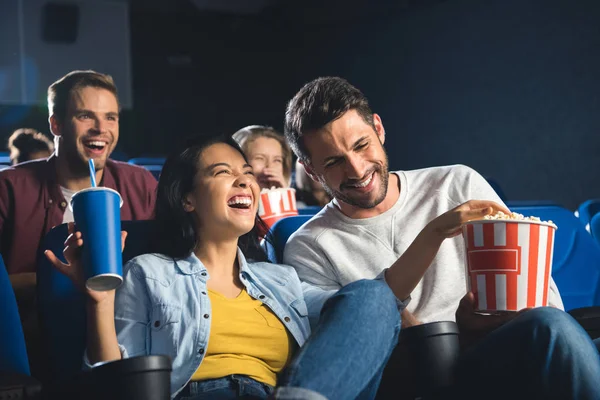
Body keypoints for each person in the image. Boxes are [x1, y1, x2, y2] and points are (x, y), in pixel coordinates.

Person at [45, 134, 508, 399]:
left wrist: (428, 239)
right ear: (186, 197)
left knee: (371, 298)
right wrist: (99, 300)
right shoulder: (150, 272)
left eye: (246, 171)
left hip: (280, 395)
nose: (244, 177)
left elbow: (369, 305)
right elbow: (112, 378)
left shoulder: (281, 279)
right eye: (222, 171)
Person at [283, 76, 600, 398]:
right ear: (310, 170)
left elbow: (543, 299)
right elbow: (340, 357)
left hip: (494, 354)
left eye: (362, 145)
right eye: (334, 162)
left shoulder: (455, 184)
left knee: (551, 323)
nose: (357, 169)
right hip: (406, 378)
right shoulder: (309, 245)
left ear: (378, 129)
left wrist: (474, 327)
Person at [0, 70, 157, 380]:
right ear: (56, 124)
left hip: (126, 344)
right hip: (35, 351)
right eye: (86, 116)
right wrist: (50, 281)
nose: (101, 128)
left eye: (111, 117)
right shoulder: (10, 187)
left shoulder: (140, 184)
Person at [233, 125, 293, 190]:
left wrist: (283, 194)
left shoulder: (292, 199)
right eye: (259, 158)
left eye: (277, 160)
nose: (269, 167)